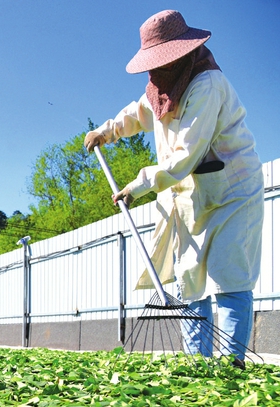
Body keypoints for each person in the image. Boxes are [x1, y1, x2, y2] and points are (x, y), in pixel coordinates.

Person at [84, 9, 264, 365]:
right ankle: (198, 363)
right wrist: (107, 130)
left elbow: (184, 156)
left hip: (231, 192)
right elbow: (138, 113)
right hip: (190, 198)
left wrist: (137, 186)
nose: (157, 71)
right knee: (189, 278)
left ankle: (231, 366)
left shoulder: (206, 85)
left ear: (182, 52)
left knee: (230, 274)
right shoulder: (162, 88)